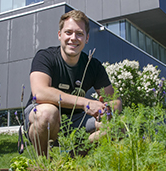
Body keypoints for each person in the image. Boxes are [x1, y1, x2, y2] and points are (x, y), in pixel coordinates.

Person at [24, 10, 122, 156]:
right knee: (47, 114)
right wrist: (86, 103)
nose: (73, 38)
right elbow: (39, 93)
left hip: (77, 120)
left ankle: (72, 159)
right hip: (46, 117)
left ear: (87, 38)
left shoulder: (93, 66)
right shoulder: (45, 57)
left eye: (79, 34)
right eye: (68, 32)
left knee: (117, 128)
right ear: (59, 35)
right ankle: (43, 165)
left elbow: (115, 100)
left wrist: (106, 109)